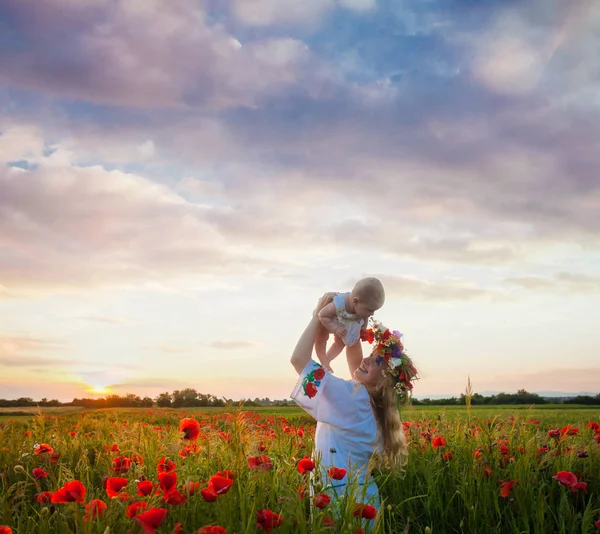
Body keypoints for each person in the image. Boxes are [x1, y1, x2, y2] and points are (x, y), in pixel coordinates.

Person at [291, 293, 416, 524]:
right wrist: (353, 322)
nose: (366, 361)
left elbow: (298, 360)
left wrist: (318, 315)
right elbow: (354, 357)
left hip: (339, 500)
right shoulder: (375, 406)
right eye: (370, 355)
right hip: (363, 501)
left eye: (376, 361)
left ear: (385, 380)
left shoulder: (354, 400)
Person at [315, 278, 385, 373]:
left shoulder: (361, 308)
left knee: (341, 343)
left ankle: (327, 361)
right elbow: (322, 315)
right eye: (370, 310)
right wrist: (335, 328)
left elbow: (364, 319)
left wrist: (363, 329)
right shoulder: (338, 303)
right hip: (328, 319)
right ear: (355, 301)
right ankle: (322, 360)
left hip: (344, 322)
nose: (372, 313)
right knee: (321, 337)